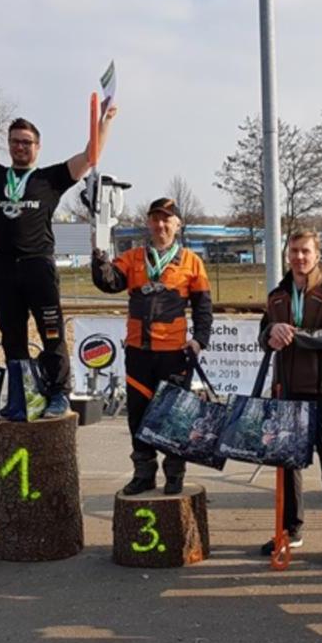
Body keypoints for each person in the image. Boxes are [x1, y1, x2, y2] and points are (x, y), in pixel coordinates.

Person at [0, 94, 117, 418]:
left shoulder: (50, 178)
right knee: (12, 337)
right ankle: (21, 397)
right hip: (4, 268)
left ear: (38, 147)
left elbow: (90, 156)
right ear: (9, 145)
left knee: (52, 334)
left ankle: (58, 394)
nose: (21, 147)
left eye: (27, 142)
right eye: (16, 142)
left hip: (39, 267)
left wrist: (103, 121)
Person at [91, 198, 212, 495]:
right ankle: (144, 474)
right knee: (138, 414)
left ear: (177, 224)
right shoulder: (132, 258)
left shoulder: (192, 262)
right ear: (148, 223)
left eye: (167, 219)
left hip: (174, 354)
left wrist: (199, 340)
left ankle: (174, 475)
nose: (161, 225)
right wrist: (99, 258)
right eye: (155, 219)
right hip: (139, 353)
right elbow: (109, 283)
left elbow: (203, 307)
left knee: (174, 416)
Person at [258, 230, 322, 567]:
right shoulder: (277, 295)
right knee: (287, 467)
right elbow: (263, 334)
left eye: (306, 252)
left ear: (318, 255)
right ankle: (289, 530)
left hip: (321, 391)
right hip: (286, 391)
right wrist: (271, 332)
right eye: (295, 251)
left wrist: (296, 335)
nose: (300, 257)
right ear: (288, 255)